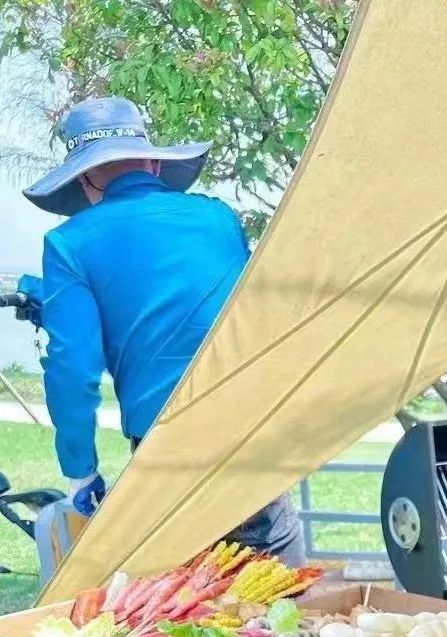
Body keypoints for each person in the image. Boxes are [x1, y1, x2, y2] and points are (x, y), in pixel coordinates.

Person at [23, 96, 304, 562]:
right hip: (251, 431)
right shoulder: (218, 217)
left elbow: (74, 368)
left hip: (168, 450)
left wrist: (80, 471)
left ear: (84, 180)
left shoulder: (68, 244)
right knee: (278, 583)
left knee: (188, 589)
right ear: (154, 162)